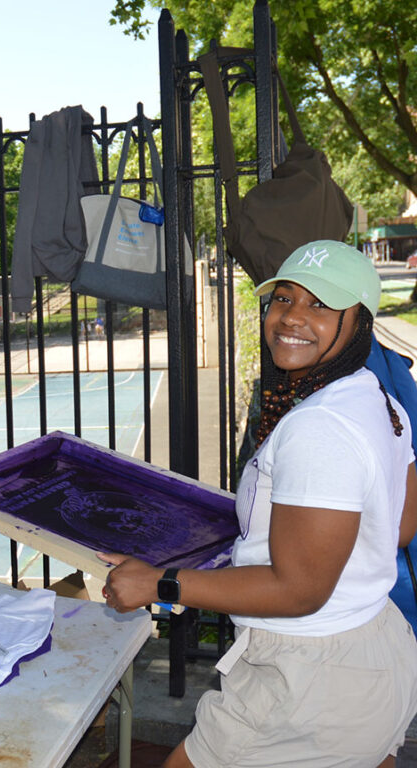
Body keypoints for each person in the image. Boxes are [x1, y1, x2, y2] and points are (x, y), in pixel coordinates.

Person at [100, 240, 417, 768]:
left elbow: (299, 591)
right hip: (374, 651)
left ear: (360, 320)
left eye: (321, 304)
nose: (293, 317)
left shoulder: (319, 428)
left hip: (307, 676)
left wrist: (159, 582)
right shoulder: (376, 397)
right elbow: (399, 527)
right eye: (284, 299)